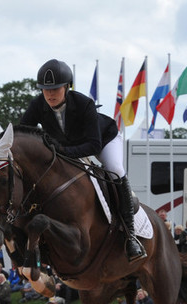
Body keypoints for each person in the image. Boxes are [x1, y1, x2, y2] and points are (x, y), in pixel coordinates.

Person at [21, 58, 145, 262]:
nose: (50, 94)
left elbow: (93, 146)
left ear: (67, 87)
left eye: (55, 89)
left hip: (103, 140)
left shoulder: (83, 103)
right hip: (69, 147)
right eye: (46, 89)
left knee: (114, 169)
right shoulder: (38, 105)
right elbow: (23, 133)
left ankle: (130, 236)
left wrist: (62, 151)